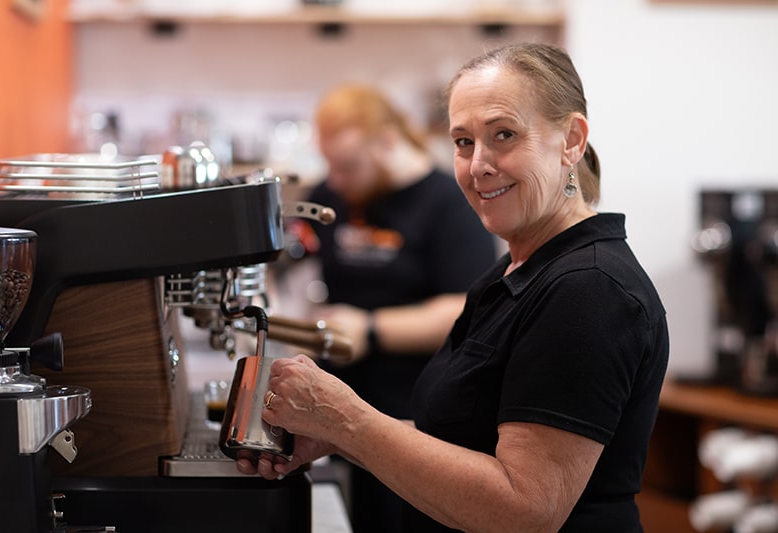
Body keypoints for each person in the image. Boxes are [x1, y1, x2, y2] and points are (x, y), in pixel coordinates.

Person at [241, 43, 670, 532]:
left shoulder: (590, 290)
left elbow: (524, 510)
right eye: (463, 142)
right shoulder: (513, 273)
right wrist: (334, 437)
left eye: (503, 135)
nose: (478, 165)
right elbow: (460, 442)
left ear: (571, 139)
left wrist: (346, 420)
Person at [286, 84, 498, 532]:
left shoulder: (449, 204)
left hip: (414, 410)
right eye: (330, 165)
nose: (335, 180)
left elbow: (464, 311)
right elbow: (295, 247)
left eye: (346, 166)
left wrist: (369, 329)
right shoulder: (336, 194)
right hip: (342, 403)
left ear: (385, 142)